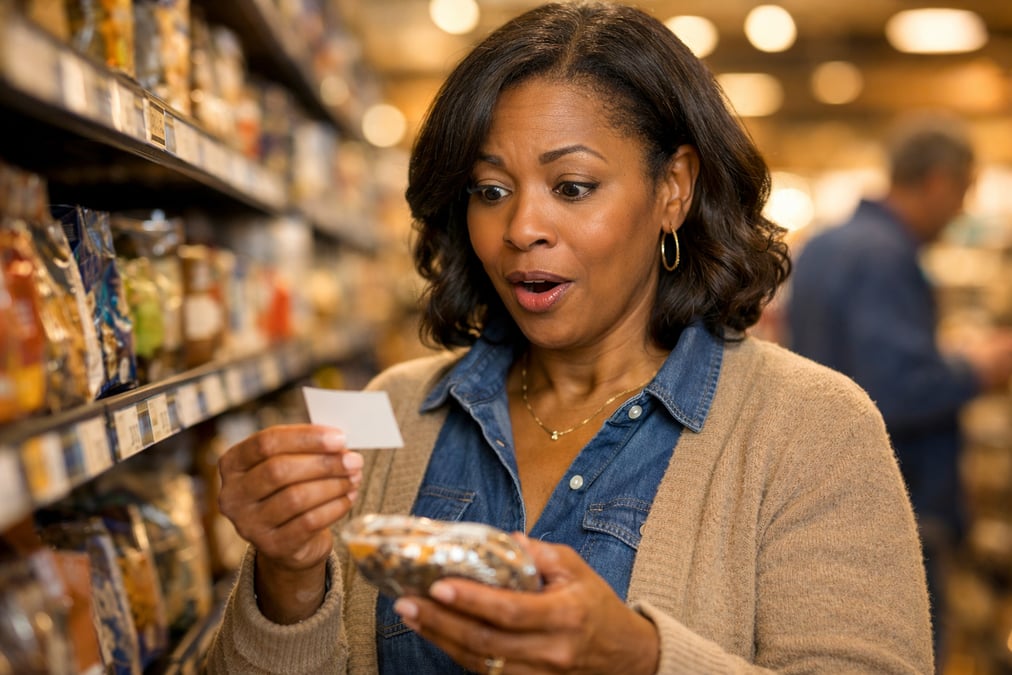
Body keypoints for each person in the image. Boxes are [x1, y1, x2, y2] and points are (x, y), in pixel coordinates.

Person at [206, 3, 933, 673]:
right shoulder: (390, 413)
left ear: (673, 189)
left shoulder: (812, 427)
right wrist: (289, 578)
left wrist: (642, 658)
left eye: (573, 187)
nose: (522, 227)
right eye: (491, 190)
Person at [786, 114, 1012, 665]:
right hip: (900, 501)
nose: (960, 211)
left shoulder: (826, 245)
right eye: (962, 192)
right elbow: (895, 389)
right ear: (937, 180)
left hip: (823, 494)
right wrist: (976, 370)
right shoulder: (885, 255)